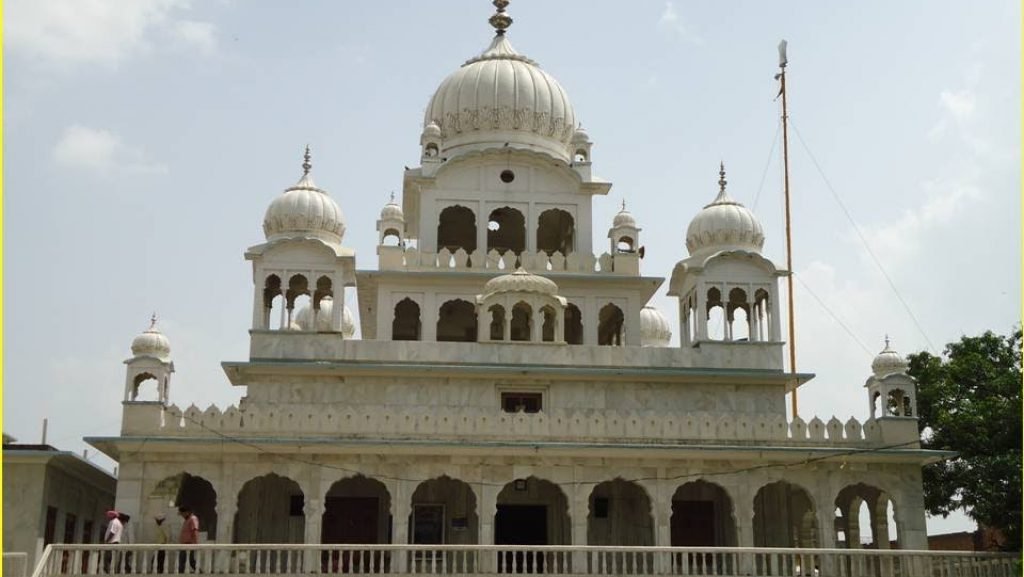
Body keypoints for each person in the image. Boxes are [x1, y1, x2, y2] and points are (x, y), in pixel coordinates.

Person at [178, 506, 199, 573]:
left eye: (182, 514)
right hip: (184, 544)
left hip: (189, 544)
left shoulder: (192, 519)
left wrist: (196, 544)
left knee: (184, 561)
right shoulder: (187, 520)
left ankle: (201, 573)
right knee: (189, 561)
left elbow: (194, 531)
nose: (182, 516)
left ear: (187, 512)